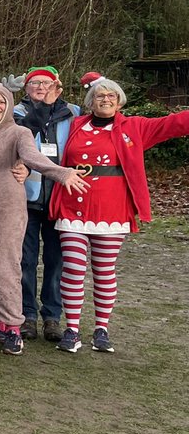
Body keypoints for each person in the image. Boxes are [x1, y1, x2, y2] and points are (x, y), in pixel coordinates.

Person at [53, 73, 189, 353]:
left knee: (104, 271)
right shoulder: (76, 124)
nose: (105, 100)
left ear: (119, 101)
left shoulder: (135, 126)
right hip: (73, 206)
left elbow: (174, 124)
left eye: (111, 96)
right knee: (73, 269)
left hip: (112, 209)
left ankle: (101, 329)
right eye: (100, 96)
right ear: (91, 101)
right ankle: (72, 329)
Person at [0, 84, 86, 355]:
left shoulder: (18, 132)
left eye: (1, 102)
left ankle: (13, 328)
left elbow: (31, 156)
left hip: (6, 207)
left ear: (8, 106)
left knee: (3, 266)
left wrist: (61, 173)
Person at [13, 66, 79, 342]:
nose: (41, 87)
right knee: (26, 260)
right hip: (27, 197)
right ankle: (27, 315)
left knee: (56, 261)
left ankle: (52, 316)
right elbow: (25, 133)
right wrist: (44, 107)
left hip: (61, 198)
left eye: (47, 83)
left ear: (57, 86)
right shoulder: (17, 113)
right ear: (26, 88)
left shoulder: (73, 113)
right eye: (35, 83)